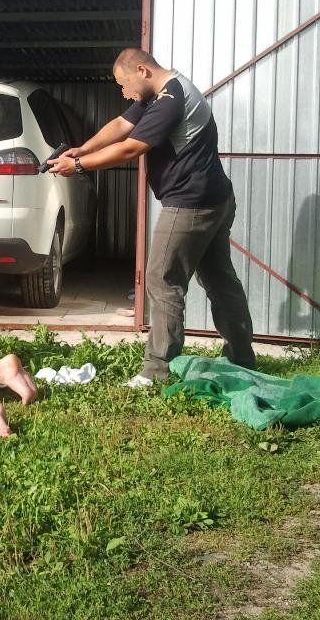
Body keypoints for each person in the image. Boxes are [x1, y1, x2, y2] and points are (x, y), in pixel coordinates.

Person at [47, 47, 256, 387]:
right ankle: (241, 358)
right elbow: (121, 124)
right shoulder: (160, 93)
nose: (123, 92)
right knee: (220, 280)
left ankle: (157, 371)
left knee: (162, 279)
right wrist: (83, 148)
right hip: (214, 198)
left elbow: (131, 147)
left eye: (124, 84)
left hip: (191, 204)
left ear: (142, 71)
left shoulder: (171, 98)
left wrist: (79, 165)